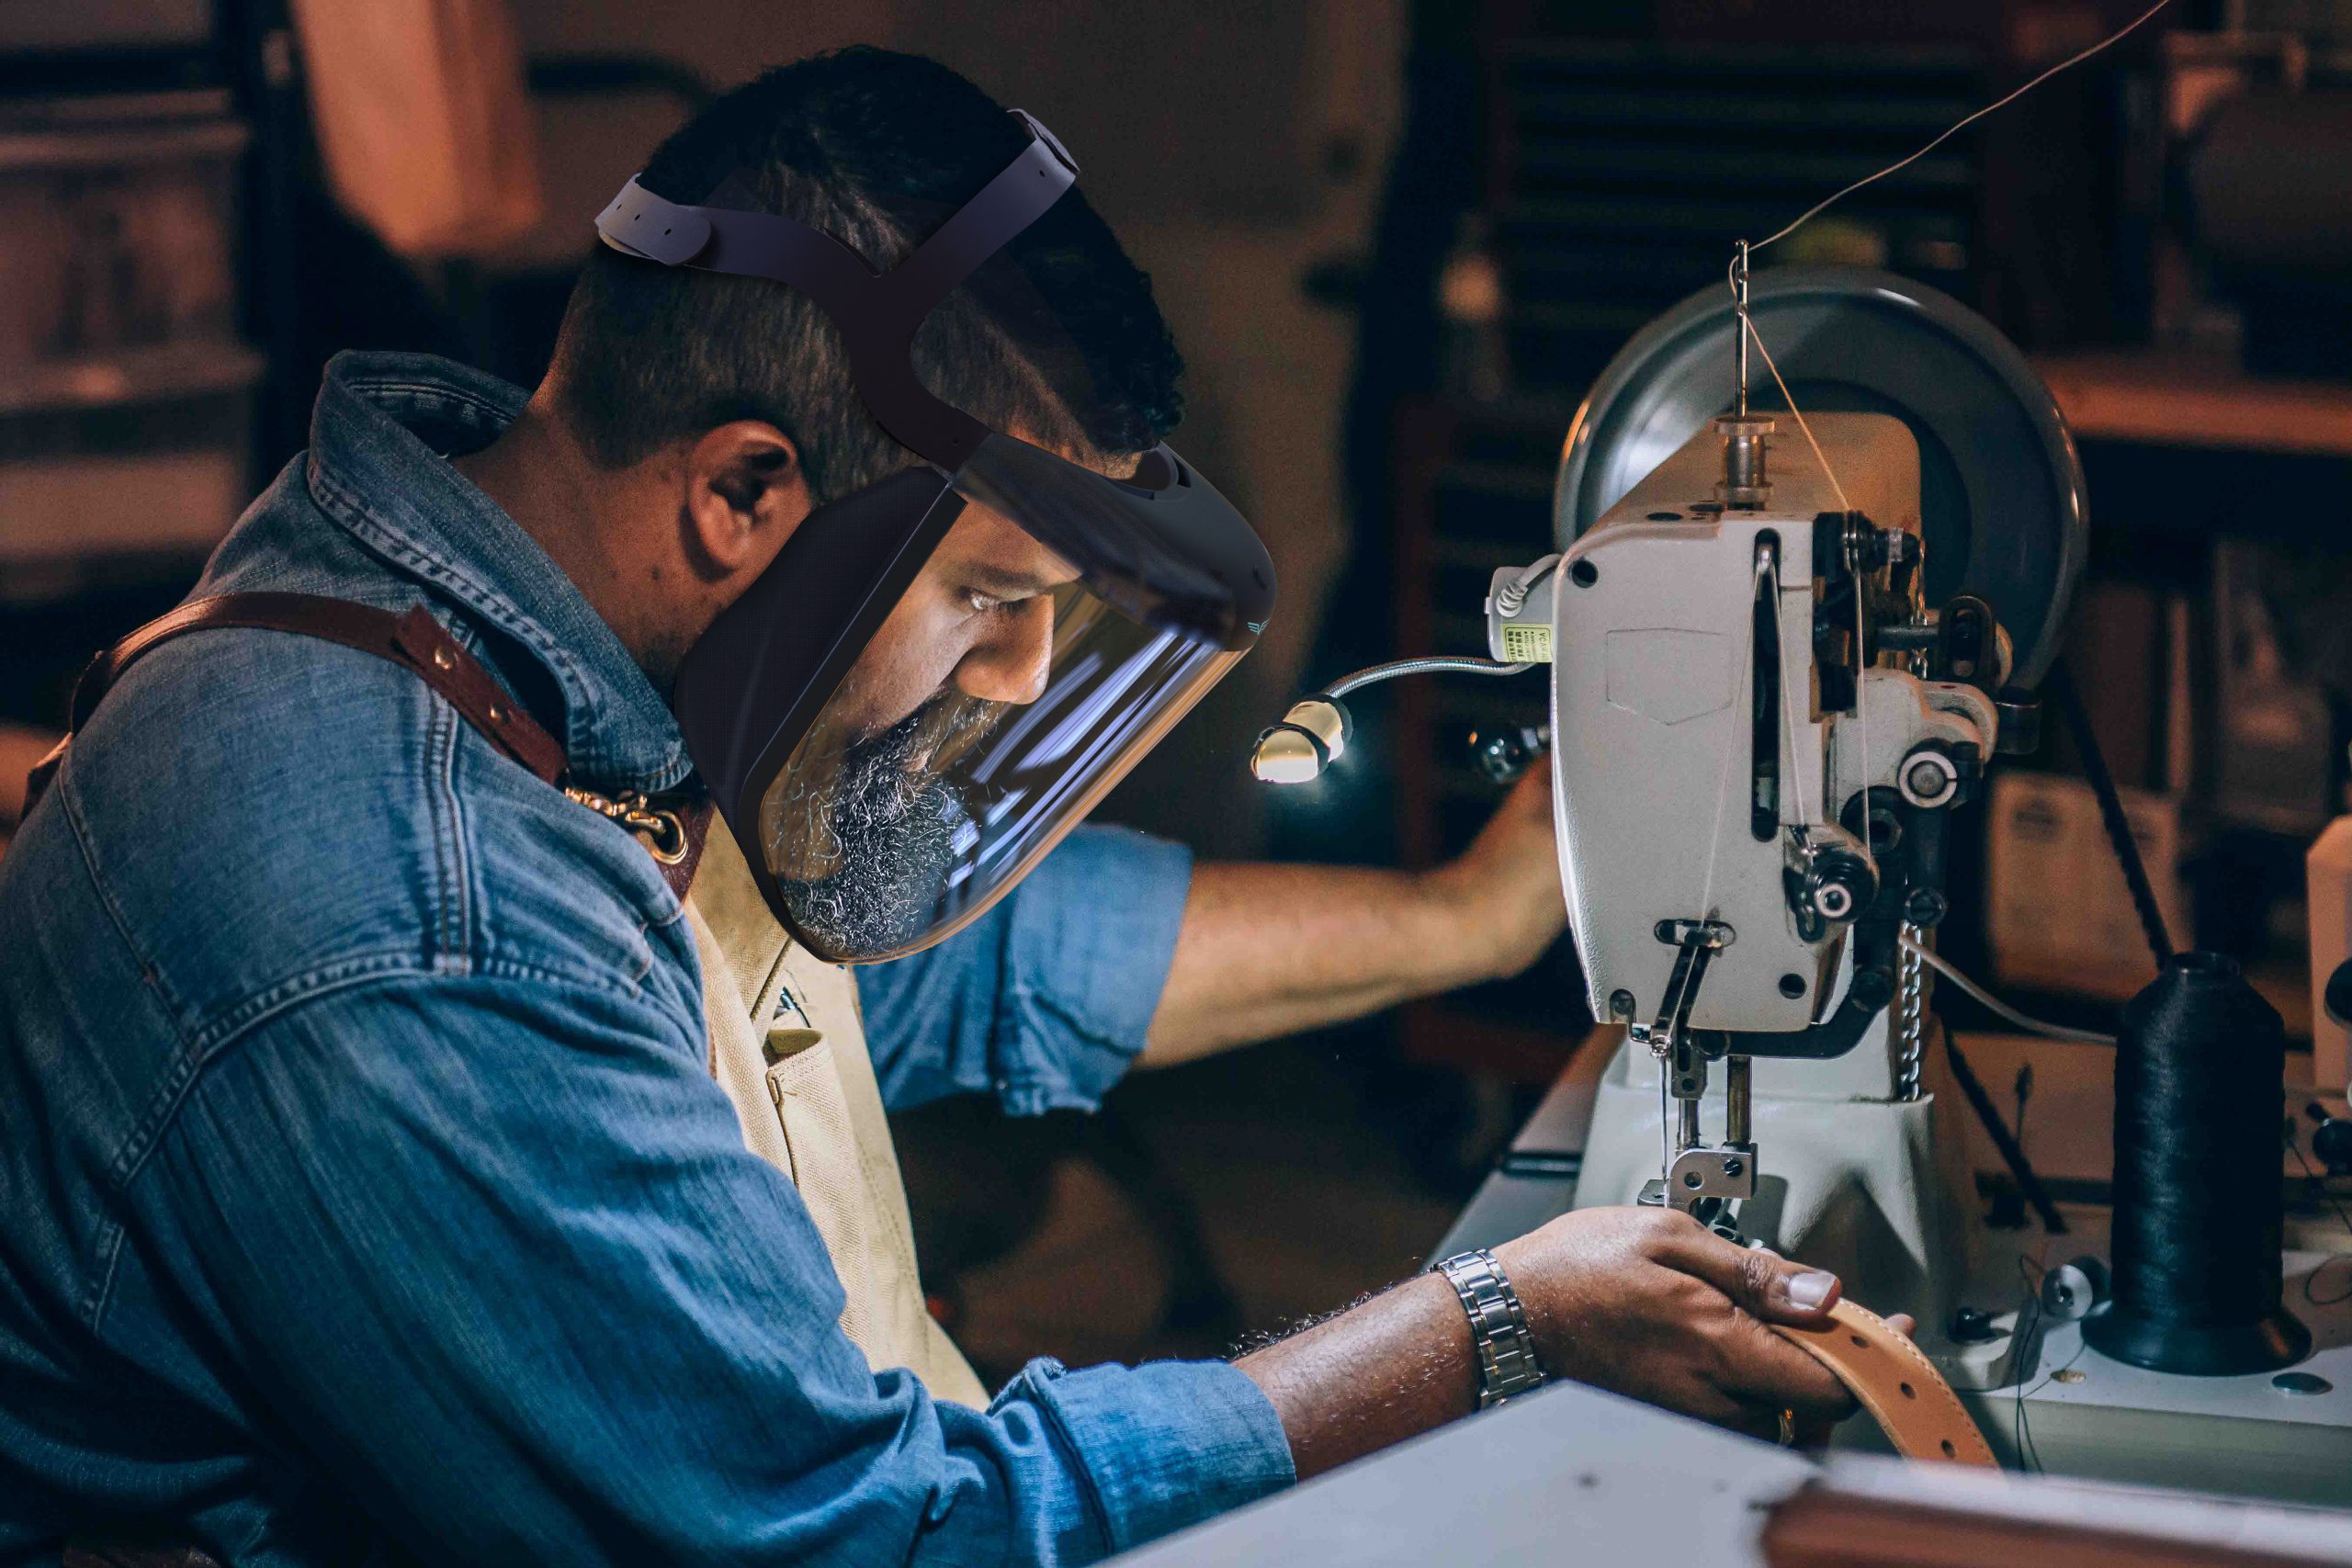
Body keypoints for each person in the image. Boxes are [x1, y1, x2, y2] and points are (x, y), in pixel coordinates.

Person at [0, 48, 1862, 1567]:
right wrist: (1489, 1322)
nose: (1021, 680)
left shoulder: (514, 634)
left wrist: (1475, 912)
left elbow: (942, 965)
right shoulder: (411, 909)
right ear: (745, 493)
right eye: (992, 597)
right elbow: (862, 1541)